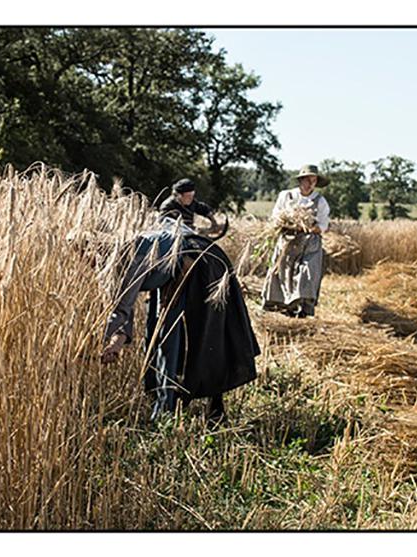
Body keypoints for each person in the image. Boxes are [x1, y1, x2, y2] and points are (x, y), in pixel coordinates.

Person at [101, 178, 259, 422]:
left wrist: (115, 342)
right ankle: (171, 401)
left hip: (198, 265)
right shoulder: (130, 248)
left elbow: (123, 304)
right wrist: (116, 341)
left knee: (189, 336)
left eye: (86, 254)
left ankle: (172, 409)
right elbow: (124, 305)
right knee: (169, 330)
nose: (86, 262)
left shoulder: (126, 256)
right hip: (188, 263)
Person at [261, 164, 331, 318]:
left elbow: (323, 226)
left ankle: (304, 309)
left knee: (308, 273)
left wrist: (307, 227)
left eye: (313, 180)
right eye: (307, 180)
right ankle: (280, 307)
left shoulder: (320, 201)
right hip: (288, 240)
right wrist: (289, 223)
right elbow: (276, 217)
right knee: (282, 272)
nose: (310, 184)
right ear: (300, 180)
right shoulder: (286, 196)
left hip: (310, 242)